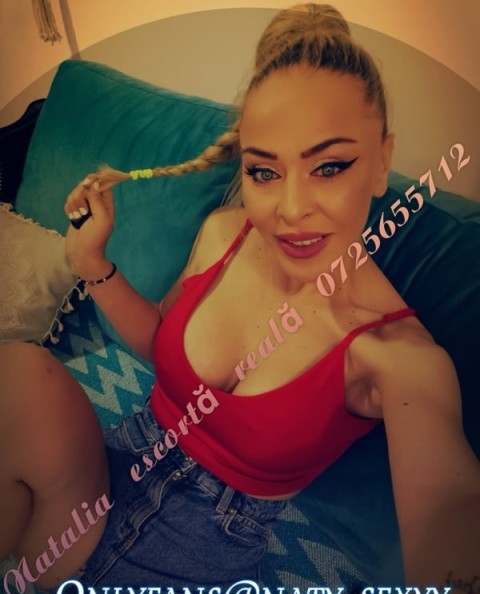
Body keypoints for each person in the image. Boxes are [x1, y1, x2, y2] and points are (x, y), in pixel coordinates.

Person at [1, 3, 479, 592]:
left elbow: (448, 512)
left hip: (196, 556)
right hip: (103, 476)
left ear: (381, 161)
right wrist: (90, 264)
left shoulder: (400, 358)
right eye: (265, 172)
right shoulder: (225, 233)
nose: (291, 210)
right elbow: (159, 342)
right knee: (17, 372)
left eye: (329, 166)